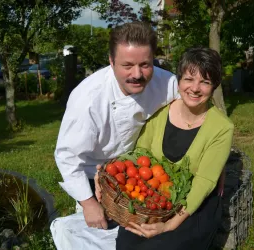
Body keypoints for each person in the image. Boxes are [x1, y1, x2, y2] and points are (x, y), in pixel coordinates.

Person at [51, 21, 179, 249]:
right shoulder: (88, 99)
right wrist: (88, 202)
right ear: (111, 62)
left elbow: (191, 105)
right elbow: (67, 156)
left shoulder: (166, 82)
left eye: (145, 65)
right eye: (127, 65)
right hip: (93, 177)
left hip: (138, 173)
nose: (137, 74)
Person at [96, 47, 234, 250]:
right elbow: (138, 157)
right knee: (126, 244)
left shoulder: (222, 128)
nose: (195, 88)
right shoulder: (160, 113)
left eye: (205, 82)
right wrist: (107, 175)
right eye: (189, 79)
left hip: (192, 209)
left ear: (214, 86)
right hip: (153, 204)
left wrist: (169, 225)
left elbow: (204, 182)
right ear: (179, 81)